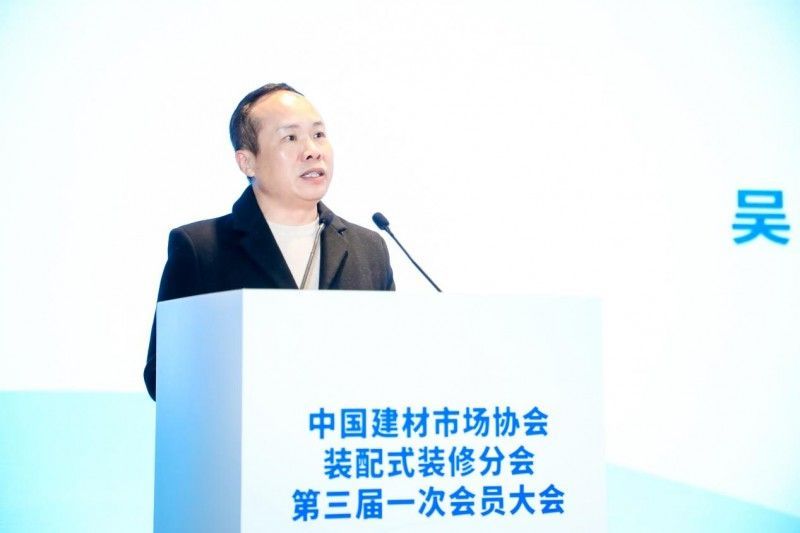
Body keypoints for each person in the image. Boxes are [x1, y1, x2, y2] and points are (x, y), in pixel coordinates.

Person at [143, 83, 394, 400]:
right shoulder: (201, 249)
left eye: (318, 134)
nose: (312, 150)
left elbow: (389, 363)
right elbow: (163, 376)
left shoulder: (368, 249)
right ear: (247, 162)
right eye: (290, 138)